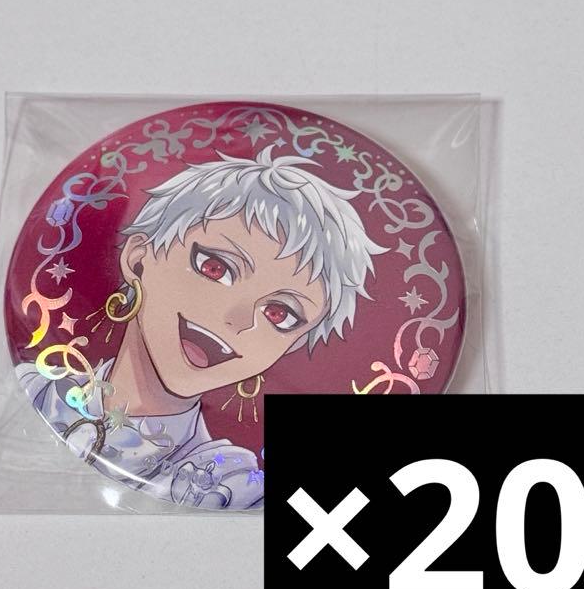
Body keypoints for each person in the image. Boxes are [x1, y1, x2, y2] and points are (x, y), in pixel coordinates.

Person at [19, 146, 384, 509]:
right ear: (138, 258)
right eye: (215, 268)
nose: (238, 320)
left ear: (291, 345)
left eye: (279, 314)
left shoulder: (229, 485)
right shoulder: (37, 389)